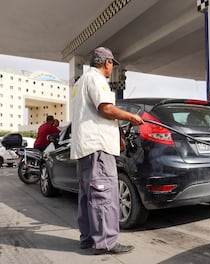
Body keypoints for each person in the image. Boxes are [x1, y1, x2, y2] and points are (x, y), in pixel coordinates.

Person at [70, 47, 144, 255]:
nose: (112, 68)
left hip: (85, 148)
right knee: (103, 195)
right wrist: (131, 117)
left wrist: (117, 135)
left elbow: (92, 115)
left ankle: (87, 238)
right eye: (112, 64)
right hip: (98, 148)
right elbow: (106, 109)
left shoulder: (79, 83)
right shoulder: (97, 80)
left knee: (87, 196)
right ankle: (106, 242)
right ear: (107, 63)